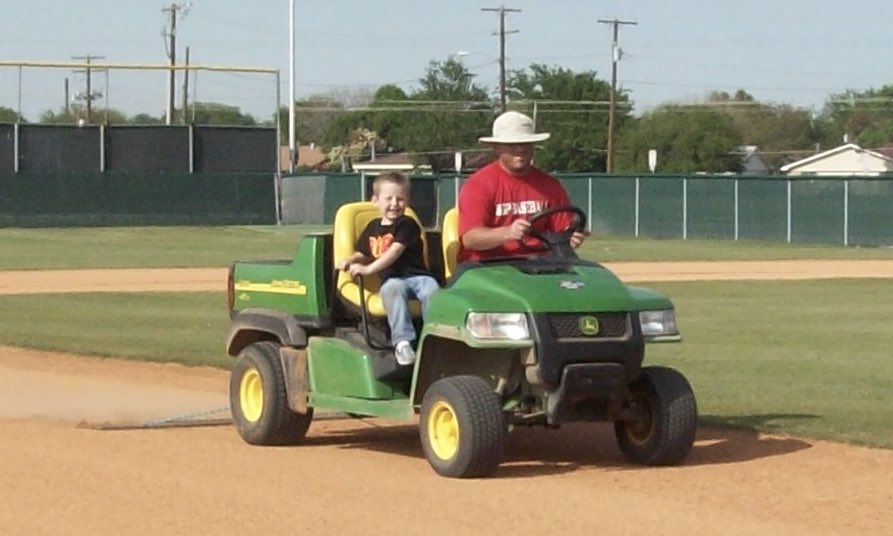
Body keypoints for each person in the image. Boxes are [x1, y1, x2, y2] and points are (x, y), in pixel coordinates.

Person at [336, 172, 439, 365]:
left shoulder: (407, 225)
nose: (394, 204)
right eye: (388, 199)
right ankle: (402, 343)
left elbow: (393, 253)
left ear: (407, 201)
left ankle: (434, 337)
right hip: (393, 280)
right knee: (392, 290)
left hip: (417, 276)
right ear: (375, 201)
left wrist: (368, 270)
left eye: (400, 199)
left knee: (432, 289)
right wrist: (349, 260)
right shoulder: (372, 227)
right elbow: (363, 252)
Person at [458, 110, 586, 262]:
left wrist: (571, 238)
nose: (520, 149)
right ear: (496, 147)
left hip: (540, 265)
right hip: (488, 266)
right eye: (511, 144)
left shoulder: (550, 185)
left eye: (526, 143)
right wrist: (507, 233)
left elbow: (561, 231)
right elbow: (470, 239)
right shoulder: (478, 185)